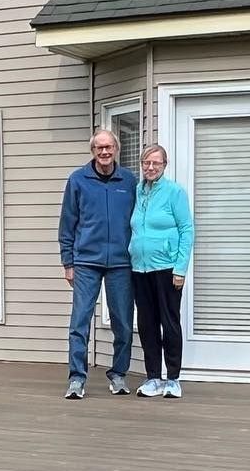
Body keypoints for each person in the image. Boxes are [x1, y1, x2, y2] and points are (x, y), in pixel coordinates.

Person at [58, 129, 137, 399]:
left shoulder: (129, 181)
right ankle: (77, 378)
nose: (104, 152)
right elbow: (67, 224)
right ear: (93, 151)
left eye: (109, 147)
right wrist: (68, 262)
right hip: (85, 262)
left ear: (116, 149)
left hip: (121, 264)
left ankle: (118, 375)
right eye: (99, 147)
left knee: (123, 322)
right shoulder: (78, 180)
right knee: (79, 321)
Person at [128, 144, 194, 399]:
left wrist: (180, 269)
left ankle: (173, 378)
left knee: (169, 322)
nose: (151, 167)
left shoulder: (174, 192)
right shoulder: (137, 191)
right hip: (139, 269)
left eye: (156, 163)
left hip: (167, 269)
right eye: (146, 163)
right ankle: (153, 377)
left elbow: (187, 230)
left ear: (164, 165)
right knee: (146, 324)